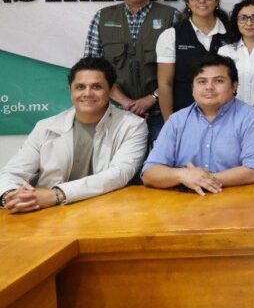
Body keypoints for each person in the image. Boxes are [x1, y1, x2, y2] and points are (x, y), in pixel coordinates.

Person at [0, 58, 147, 213]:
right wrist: (9, 196)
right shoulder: (45, 127)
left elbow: (119, 174)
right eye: (80, 87)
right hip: (48, 213)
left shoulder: (132, 126)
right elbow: (13, 172)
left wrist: (57, 194)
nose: (87, 93)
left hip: (105, 212)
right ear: (70, 90)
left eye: (96, 87)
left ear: (111, 90)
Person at [141, 55, 254, 194]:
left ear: (234, 86)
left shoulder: (251, 119)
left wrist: (201, 179)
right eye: (202, 81)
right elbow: (149, 173)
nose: (209, 87)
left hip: (237, 200)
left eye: (219, 81)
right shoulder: (177, 120)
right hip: (185, 202)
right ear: (192, 88)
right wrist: (182, 175)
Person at [84, 0, 178, 144]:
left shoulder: (171, 17)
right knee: (119, 162)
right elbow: (90, 68)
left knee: (163, 161)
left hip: (161, 112)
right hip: (115, 112)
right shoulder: (102, 17)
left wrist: (152, 98)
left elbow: (181, 67)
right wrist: (124, 101)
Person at [156, 0, 228, 119]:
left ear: (216, 0)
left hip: (228, 115)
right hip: (185, 116)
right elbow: (165, 84)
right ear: (187, 2)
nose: (202, 0)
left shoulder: (233, 33)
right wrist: (171, 124)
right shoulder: (171, 35)